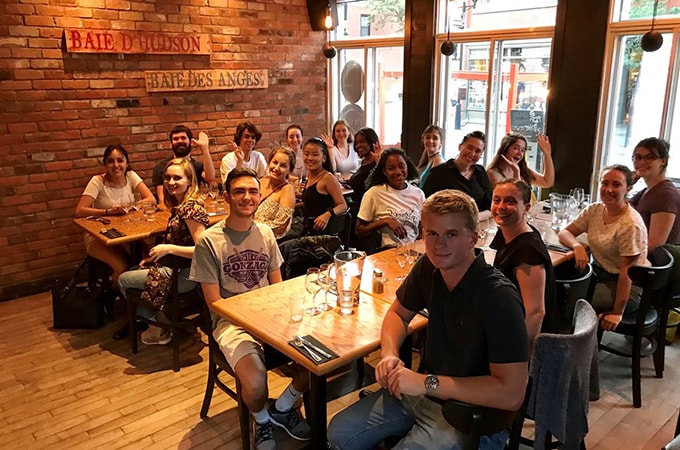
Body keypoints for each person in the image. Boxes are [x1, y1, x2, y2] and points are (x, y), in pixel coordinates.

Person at [327, 189, 528, 450]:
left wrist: (426, 382)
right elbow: (398, 313)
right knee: (337, 433)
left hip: (470, 414)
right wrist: (389, 354)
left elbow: (511, 394)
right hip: (420, 391)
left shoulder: (499, 297)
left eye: (451, 234)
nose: (438, 244)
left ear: (473, 239)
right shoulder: (428, 267)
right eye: (431, 233)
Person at [189, 168, 311, 449]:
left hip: (270, 318)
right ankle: (262, 418)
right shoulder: (209, 241)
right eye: (239, 191)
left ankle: (283, 407)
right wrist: (255, 321)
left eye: (253, 191)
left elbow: (277, 287)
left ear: (260, 195)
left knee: (321, 360)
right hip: (231, 324)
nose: (247, 197)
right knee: (256, 386)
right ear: (226, 197)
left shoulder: (266, 233)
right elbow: (214, 303)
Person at [118, 158, 209, 345]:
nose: (171, 182)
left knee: (123, 280)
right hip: (176, 269)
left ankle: (157, 327)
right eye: (167, 178)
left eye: (177, 178)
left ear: (190, 181)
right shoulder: (181, 204)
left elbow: (205, 250)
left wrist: (168, 248)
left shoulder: (191, 207)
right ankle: (163, 320)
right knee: (137, 267)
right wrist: (157, 256)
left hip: (184, 276)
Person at [558, 165, 648, 331]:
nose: (608, 189)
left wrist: (617, 312)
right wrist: (577, 246)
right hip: (599, 275)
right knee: (558, 290)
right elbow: (565, 232)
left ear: (628, 188)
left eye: (616, 184)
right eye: (604, 183)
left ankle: (573, 349)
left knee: (572, 303)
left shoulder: (630, 225)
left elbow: (626, 275)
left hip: (628, 287)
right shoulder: (595, 209)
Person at [490, 179, 561, 351]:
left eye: (510, 201)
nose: (501, 207)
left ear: (527, 208)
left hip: (522, 337)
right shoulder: (507, 232)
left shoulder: (527, 249)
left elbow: (536, 313)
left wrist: (521, 357)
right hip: (506, 320)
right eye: (497, 200)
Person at [75, 144, 155, 286]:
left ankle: (137, 295)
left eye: (120, 160)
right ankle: (116, 297)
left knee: (148, 258)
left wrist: (131, 207)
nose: (116, 165)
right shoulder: (98, 181)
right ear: (105, 164)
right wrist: (107, 212)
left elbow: (150, 199)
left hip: (128, 232)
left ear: (126, 162)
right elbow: (80, 210)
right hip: (99, 236)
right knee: (122, 266)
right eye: (111, 161)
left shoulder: (130, 176)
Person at [356, 148, 425, 249]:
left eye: (402, 166)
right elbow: (359, 230)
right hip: (387, 252)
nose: (398, 172)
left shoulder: (418, 194)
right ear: (384, 172)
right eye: (391, 168)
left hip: (413, 251)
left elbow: (422, 229)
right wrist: (385, 221)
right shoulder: (374, 193)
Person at [422, 131, 493, 216]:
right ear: (460, 147)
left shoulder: (480, 172)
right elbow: (426, 203)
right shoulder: (440, 172)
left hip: (479, 224)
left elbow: (490, 205)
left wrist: (475, 219)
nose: (472, 154)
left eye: (478, 151)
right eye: (469, 148)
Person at [630, 137, 680, 250]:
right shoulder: (648, 190)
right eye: (638, 157)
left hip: (652, 264)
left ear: (663, 161)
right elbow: (620, 211)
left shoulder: (665, 195)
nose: (642, 162)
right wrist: (628, 184)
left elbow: (655, 244)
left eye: (650, 157)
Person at [152, 125, 216, 210]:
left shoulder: (197, 166)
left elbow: (210, 178)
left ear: (191, 142)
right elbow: (163, 201)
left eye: (183, 138)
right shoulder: (161, 167)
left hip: (195, 209)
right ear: (171, 144)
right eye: (175, 139)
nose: (179, 141)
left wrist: (204, 149)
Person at [300, 137, 348, 233]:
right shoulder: (309, 176)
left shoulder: (328, 178)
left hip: (321, 232)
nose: (309, 158)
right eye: (306, 154)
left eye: (315, 155)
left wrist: (328, 214)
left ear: (324, 158)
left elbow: (343, 205)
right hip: (307, 227)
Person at [486, 133, 554, 190]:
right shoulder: (493, 173)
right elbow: (516, 197)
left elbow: (547, 182)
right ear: (505, 149)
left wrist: (547, 154)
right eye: (516, 148)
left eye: (522, 150)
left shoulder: (523, 170)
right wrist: (516, 172)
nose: (519, 153)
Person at [254, 147, 296, 239]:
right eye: (275, 162)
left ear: (290, 170)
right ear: (269, 162)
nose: (276, 168)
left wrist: (252, 229)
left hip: (269, 240)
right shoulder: (260, 181)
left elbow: (280, 227)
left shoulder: (287, 189)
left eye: (283, 166)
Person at [347, 127, 382, 206]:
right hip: (358, 204)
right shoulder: (364, 162)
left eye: (362, 142)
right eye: (357, 143)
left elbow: (381, 183)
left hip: (369, 207)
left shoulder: (378, 161)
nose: (359, 145)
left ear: (371, 142)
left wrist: (378, 161)